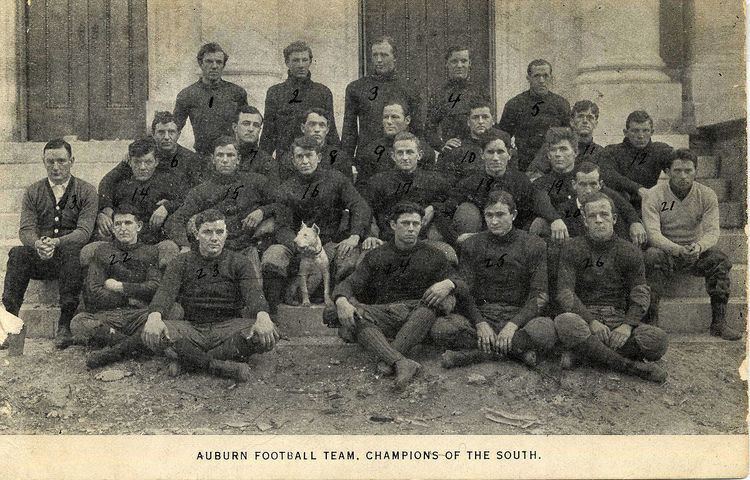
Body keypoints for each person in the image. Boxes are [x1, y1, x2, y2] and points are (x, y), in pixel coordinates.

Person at [323, 201, 479, 389]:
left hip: (420, 313)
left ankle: (390, 357)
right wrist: (341, 300)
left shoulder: (433, 255)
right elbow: (350, 283)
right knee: (344, 313)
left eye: (416, 224)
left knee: (434, 305)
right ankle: (400, 362)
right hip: (386, 314)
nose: (411, 229)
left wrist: (448, 283)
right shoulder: (377, 255)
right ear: (393, 225)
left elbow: (461, 282)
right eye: (405, 223)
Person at [140, 209, 278, 382]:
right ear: (197, 234)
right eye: (207, 232)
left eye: (219, 232)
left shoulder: (240, 262)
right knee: (153, 332)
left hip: (228, 328)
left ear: (226, 234)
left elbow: (253, 293)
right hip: (192, 328)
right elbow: (165, 293)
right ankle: (219, 366)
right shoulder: (181, 262)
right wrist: (154, 317)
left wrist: (263, 316)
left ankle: (189, 360)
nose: (214, 238)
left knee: (269, 333)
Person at [431, 190, 557, 368]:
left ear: (513, 215)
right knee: (441, 328)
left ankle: (473, 355)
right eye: (489, 215)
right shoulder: (472, 244)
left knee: (546, 331)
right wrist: (480, 323)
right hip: (484, 314)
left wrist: (513, 325)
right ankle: (516, 352)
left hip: (519, 317)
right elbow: (465, 289)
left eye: (500, 215)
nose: (494, 221)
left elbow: (540, 295)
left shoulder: (533, 244)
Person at [554, 191, 668, 383]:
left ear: (614, 218)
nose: (599, 220)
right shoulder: (572, 248)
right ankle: (629, 366)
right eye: (592, 216)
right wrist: (591, 322)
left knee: (658, 340)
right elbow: (565, 293)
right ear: (584, 220)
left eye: (604, 215)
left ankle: (587, 354)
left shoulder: (629, 250)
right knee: (565, 322)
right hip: (585, 320)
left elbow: (640, 293)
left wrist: (627, 326)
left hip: (617, 319)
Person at [2, 139, 97, 348]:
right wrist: (37, 244)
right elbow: (26, 229)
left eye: (62, 161)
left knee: (74, 253)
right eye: (50, 161)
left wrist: (56, 242)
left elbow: (84, 232)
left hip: (68, 259)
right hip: (41, 255)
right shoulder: (33, 191)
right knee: (17, 254)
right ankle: (9, 324)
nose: (56, 167)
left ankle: (64, 326)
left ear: (72, 161)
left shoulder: (86, 191)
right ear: (43, 161)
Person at [262, 135, 371, 314]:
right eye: (299, 157)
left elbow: (359, 205)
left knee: (349, 257)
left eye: (309, 155)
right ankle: (273, 314)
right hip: (297, 244)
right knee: (272, 257)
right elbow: (282, 227)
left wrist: (355, 235)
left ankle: (344, 309)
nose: (305, 161)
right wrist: (298, 246)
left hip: (330, 242)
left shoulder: (336, 179)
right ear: (293, 160)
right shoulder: (286, 188)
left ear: (318, 157)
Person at [642, 149, 740, 340]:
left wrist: (698, 247)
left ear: (696, 171)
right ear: (667, 171)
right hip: (667, 252)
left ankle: (719, 323)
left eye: (688, 171)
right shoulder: (654, 195)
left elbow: (712, 231)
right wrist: (677, 250)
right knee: (651, 255)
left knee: (720, 259)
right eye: (677, 171)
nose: (683, 176)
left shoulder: (706, 194)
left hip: (695, 252)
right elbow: (653, 234)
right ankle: (651, 322)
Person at [165, 136, 292, 283]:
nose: (225, 160)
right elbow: (175, 220)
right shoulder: (201, 191)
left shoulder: (256, 181)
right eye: (220, 155)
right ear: (212, 159)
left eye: (230, 155)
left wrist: (263, 211)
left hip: (248, 248)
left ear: (238, 159)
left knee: (253, 292)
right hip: (216, 252)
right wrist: (186, 245)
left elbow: (283, 204)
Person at [70, 205, 161, 364]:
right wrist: (129, 299)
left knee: (174, 311)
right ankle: (134, 345)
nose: (123, 228)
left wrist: (120, 287)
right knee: (78, 322)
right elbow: (94, 291)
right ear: (112, 228)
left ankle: (116, 349)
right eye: (118, 224)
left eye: (128, 223)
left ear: (138, 226)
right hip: (110, 315)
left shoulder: (150, 251)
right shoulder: (103, 251)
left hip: (139, 314)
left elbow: (154, 286)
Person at [443, 129, 561, 240]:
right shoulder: (470, 182)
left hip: (513, 240)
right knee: (467, 210)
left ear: (509, 154)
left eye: (500, 152)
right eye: (490, 152)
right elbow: (444, 211)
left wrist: (555, 219)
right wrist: (456, 238)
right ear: (482, 154)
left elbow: (538, 198)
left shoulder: (520, 180)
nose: (495, 158)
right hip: (481, 241)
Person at [90, 137, 181, 268]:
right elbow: (104, 190)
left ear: (156, 162)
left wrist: (167, 206)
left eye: (148, 162)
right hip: (122, 242)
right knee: (91, 252)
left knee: (170, 249)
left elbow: (186, 200)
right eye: (137, 162)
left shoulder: (166, 182)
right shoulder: (120, 185)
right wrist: (102, 214)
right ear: (130, 162)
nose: (143, 167)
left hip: (153, 241)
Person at [97, 112, 204, 220]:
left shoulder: (190, 159)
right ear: (153, 133)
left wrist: (169, 206)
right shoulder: (143, 153)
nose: (166, 137)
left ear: (179, 134)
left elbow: (198, 192)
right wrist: (106, 207)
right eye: (161, 132)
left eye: (171, 132)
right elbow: (108, 181)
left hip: (173, 210)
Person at [361, 132, 453, 249]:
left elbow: (453, 200)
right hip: (386, 241)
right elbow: (365, 209)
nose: (405, 157)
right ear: (393, 156)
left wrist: (434, 208)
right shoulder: (378, 181)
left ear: (419, 155)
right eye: (400, 153)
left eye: (409, 152)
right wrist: (370, 235)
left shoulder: (434, 180)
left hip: (423, 241)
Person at [341, 36, 422, 158]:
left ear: (395, 57)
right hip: (367, 159)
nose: (378, 60)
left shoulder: (409, 88)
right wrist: (346, 162)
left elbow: (417, 130)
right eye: (375, 55)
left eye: (384, 55)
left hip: (400, 158)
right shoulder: (356, 87)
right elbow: (349, 131)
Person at [260, 41, 339, 158]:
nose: (301, 65)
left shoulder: (322, 92)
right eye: (296, 60)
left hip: (315, 161)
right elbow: (268, 134)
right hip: (286, 160)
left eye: (305, 60)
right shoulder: (275, 92)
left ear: (310, 62)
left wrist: (337, 160)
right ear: (287, 62)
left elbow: (331, 132)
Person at [174, 43, 248, 156]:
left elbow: (245, 127)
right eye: (209, 61)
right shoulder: (187, 95)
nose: (214, 66)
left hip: (229, 156)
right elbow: (174, 128)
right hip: (202, 156)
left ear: (223, 65)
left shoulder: (237, 93)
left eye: (219, 62)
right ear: (200, 64)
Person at [496, 59, 570, 172]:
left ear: (551, 78)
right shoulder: (514, 104)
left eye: (546, 76)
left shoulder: (561, 104)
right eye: (536, 76)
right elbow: (503, 138)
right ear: (528, 78)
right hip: (524, 166)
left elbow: (569, 138)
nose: (541, 80)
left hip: (555, 166)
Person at [594, 110, 673, 209]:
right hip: (620, 206)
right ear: (625, 132)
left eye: (645, 130)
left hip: (648, 205)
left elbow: (679, 163)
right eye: (635, 131)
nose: (641, 136)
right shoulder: (612, 151)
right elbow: (608, 175)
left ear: (652, 132)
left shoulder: (659, 150)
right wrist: (638, 189)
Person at [557, 161, 646, 244]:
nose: (588, 190)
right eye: (583, 184)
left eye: (593, 184)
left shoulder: (611, 207)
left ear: (600, 184)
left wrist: (635, 222)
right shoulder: (564, 210)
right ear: (574, 185)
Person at [425, 46, 491, 153]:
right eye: (454, 61)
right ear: (447, 64)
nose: (459, 65)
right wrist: (441, 145)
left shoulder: (480, 91)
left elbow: (488, 122)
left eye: (464, 61)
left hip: (479, 150)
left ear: (470, 63)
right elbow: (429, 130)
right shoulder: (439, 95)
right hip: (454, 152)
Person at [354, 99, 435, 185]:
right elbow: (362, 189)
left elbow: (430, 185)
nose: (389, 122)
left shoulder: (425, 151)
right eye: (385, 117)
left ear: (407, 120)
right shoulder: (370, 151)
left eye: (394, 117)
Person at [528, 100, 603, 181]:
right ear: (572, 122)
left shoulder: (600, 152)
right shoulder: (554, 146)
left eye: (590, 117)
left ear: (596, 123)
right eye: (580, 116)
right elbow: (534, 174)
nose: (585, 121)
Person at [278, 108, 353, 181]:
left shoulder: (340, 158)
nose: (317, 130)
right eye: (312, 124)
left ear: (327, 130)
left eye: (322, 125)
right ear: (303, 128)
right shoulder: (289, 159)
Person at [436, 99, 500, 184]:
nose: (480, 121)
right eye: (475, 117)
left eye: (485, 117)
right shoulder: (456, 149)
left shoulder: (502, 147)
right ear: (468, 122)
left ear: (493, 120)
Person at [228, 105, 280, 187]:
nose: (251, 129)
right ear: (235, 127)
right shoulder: (223, 156)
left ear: (259, 130)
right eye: (246, 124)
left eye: (256, 125)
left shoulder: (267, 163)